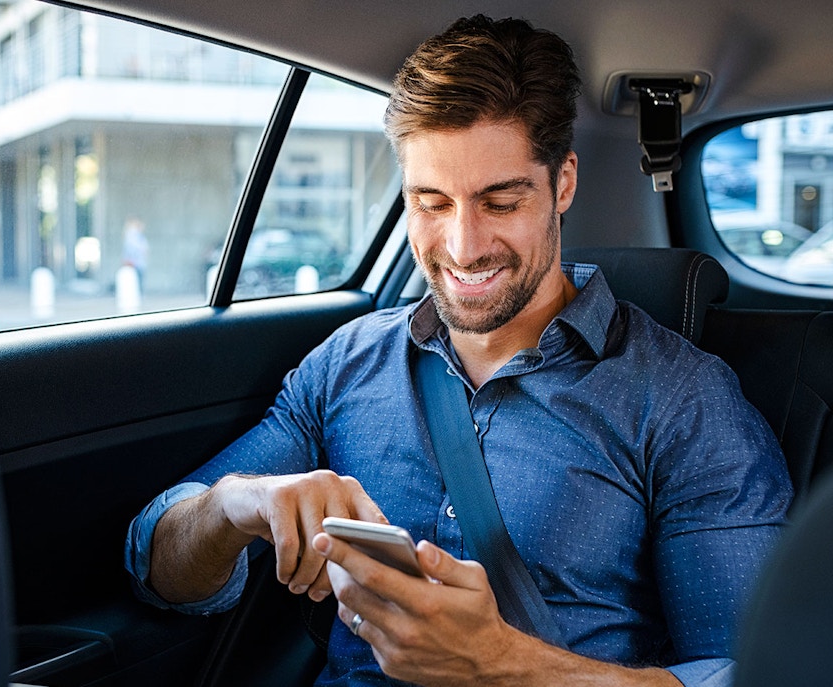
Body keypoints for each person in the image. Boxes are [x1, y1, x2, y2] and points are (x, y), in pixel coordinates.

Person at [125, 15, 791, 687]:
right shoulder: (347, 364)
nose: (464, 246)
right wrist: (235, 503)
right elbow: (159, 571)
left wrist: (504, 663)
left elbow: (749, 672)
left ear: (562, 183)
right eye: (432, 203)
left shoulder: (684, 399)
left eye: (499, 202)